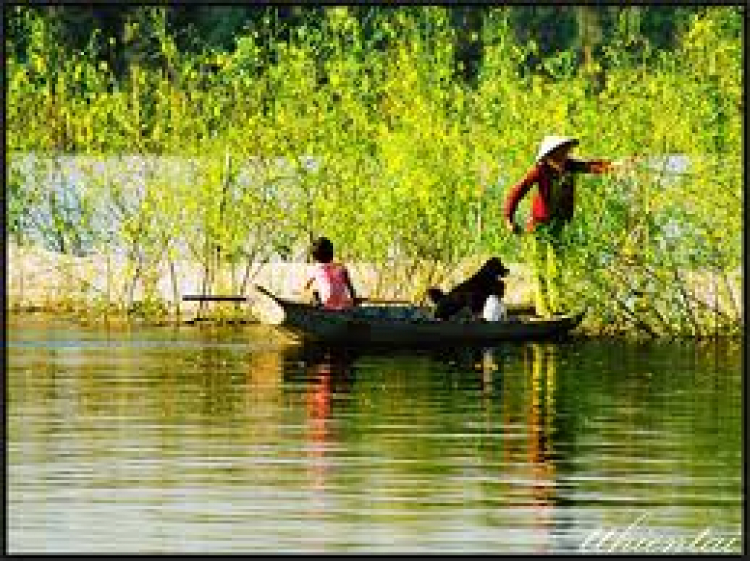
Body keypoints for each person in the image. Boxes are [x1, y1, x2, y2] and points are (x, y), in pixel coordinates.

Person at [503, 135, 632, 317]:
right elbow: (516, 192)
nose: (565, 154)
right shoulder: (539, 171)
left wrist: (616, 165)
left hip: (559, 223)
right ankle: (543, 309)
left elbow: (592, 166)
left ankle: (557, 305)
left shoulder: (570, 166)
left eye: (566, 151)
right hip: (539, 225)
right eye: (561, 151)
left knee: (557, 266)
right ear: (550, 154)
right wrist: (509, 218)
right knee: (540, 268)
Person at [303, 236, 358, 310]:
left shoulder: (316, 269)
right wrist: (354, 301)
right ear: (332, 253)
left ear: (315, 257)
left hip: (326, 305)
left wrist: (307, 294)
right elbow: (351, 289)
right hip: (343, 304)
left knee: (314, 293)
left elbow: (306, 287)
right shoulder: (341, 267)